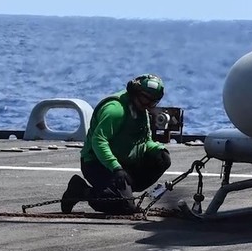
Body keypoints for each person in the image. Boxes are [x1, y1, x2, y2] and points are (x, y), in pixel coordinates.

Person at [61, 74, 172, 214]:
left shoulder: (141, 110)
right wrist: (115, 167)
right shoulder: (115, 110)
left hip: (124, 162)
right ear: (135, 92)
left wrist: (157, 149)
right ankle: (81, 191)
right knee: (125, 207)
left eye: (153, 102)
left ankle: (124, 190)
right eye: (146, 99)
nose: (148, 106)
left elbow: (144, 141)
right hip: (97, 163)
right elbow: (99, 141)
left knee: (161, 159)